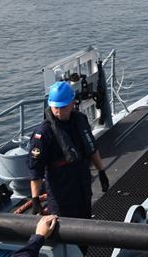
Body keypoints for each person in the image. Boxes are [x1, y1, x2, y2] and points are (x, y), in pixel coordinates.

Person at [28, 81, 109, 219]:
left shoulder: (80, 121)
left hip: (82, 185)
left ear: (72, 103)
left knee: (85, 219)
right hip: (61, 192)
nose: (59, 111)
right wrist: (35, 199)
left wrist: (101, 172)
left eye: (63, 107)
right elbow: (36, 169)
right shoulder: (43, 133)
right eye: (56, 107)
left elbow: (91, 148)